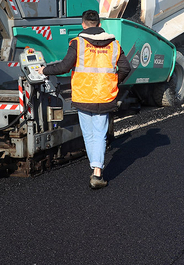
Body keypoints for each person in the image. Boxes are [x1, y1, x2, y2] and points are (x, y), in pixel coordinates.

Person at [42, 10, 130, 189]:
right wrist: (113, 81)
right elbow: (126, 68)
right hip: (104, 96)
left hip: (83, 96)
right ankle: (96, 170)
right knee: (99, 134)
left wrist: (44, 70)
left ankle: (96, 170)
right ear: (99, 24)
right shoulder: (114, 44)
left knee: (89, 135)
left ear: (83, 24)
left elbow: (64, 67)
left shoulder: (78, 43)